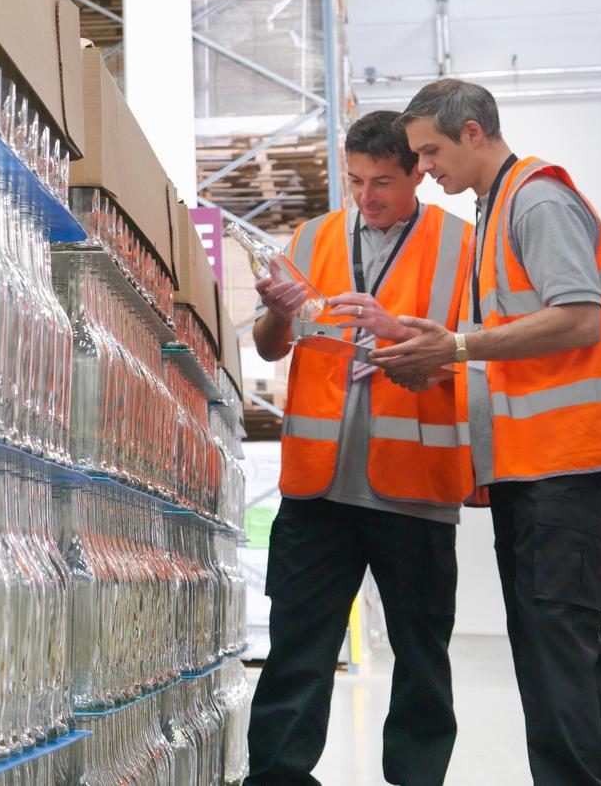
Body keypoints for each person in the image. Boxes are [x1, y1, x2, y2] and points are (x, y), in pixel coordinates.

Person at [335, 78, 601, 786]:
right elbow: (506, 346)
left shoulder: (537, 199)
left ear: (474, 134)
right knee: (556, 646)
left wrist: (453, 346)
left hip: (559, 466)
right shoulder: (495, 210)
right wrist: (431, 355)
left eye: (429, 152)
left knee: (556, 646)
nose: (424, 169)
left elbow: (579, 317)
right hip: (525, 469)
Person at [245, 111, 475, 786]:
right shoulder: (312, 237)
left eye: (383, 182)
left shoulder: (462, 247)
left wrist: (405, 342)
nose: (366, 196)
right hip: (316, 489)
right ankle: (279, 778)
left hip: (415, 488)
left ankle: (416, 778)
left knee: (421, 655)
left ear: (418, 176)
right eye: (355, 180)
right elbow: (268, 346)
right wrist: (281, 309)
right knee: (296, 648)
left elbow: (481, 360)